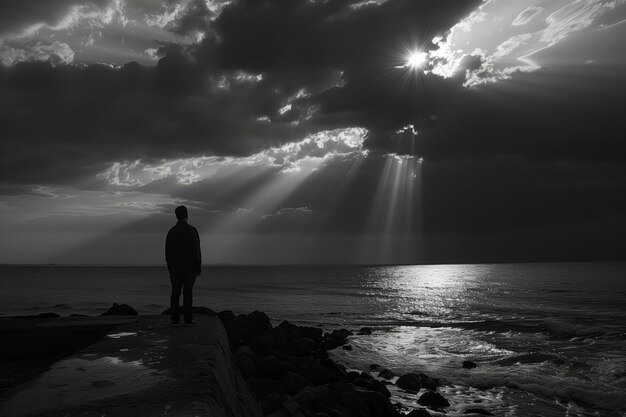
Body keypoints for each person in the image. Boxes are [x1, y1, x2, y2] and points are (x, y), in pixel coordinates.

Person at [165, 205, 201, 326]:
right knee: (188, 293)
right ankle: (188, 319)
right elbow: (196, 251)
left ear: (176, 216)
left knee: (175, 293)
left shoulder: (171, 232)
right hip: (189, 269)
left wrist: (170, 268)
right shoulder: (192, 231)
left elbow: (167, 253)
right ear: (187, 215)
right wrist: (198, 268)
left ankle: (174, 319)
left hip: (175, 269)